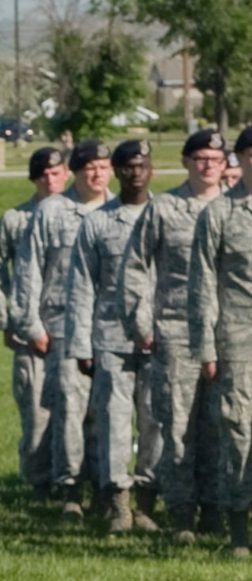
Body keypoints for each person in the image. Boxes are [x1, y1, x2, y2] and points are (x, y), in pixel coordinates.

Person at [127, 129, 232, 541]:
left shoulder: (237, 210)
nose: (209, 166)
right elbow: (135, 266)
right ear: (187, 162)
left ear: (226, 166)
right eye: (201, 158)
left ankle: (216, 509)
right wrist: (141, 320)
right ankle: (182, 514)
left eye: (216, 159)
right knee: (178, 427)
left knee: (220, 427)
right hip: (175, 332)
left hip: (229, 334)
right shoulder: (165, 209)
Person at [67, 139, 158, 531]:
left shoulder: (166, 215)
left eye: (142, 165)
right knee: (114, 422)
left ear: (151, 169)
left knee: (156, 422)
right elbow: (81, 287)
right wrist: (81, 344)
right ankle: (117, 500)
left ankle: (148, 501)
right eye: (128, 167)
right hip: (112, 339)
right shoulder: (98, 223)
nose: (136, 172)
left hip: (160, 339)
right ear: (117, 172)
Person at [19, 140, 112, 520]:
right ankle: (70, 489)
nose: (97, 173)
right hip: (62, 327)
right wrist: (31, 324)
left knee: (109, 412)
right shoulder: (52, 211)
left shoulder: (121, 211)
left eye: (103, 166)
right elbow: (29, 270)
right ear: (76, 171)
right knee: (69, 411)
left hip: (111, 328)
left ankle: (107, 487)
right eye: (89, 167)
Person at [0, 146, 70, 497]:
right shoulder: (15, 220)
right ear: (34, 179)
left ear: (66, 173)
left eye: (56, 173)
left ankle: (75, 482)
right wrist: (6, 321)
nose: (51, 180)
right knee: (36, 414)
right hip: (28, 336)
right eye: (43, 175)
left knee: (76, 413)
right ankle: (38, 485)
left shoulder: (78, 215)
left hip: (69, 329)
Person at [189, 128, 252, 558]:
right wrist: (206, 349)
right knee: (239, 433)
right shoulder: (221, 214)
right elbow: (202, 284)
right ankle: (239, 530)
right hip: (238, 341)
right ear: (241, 160)